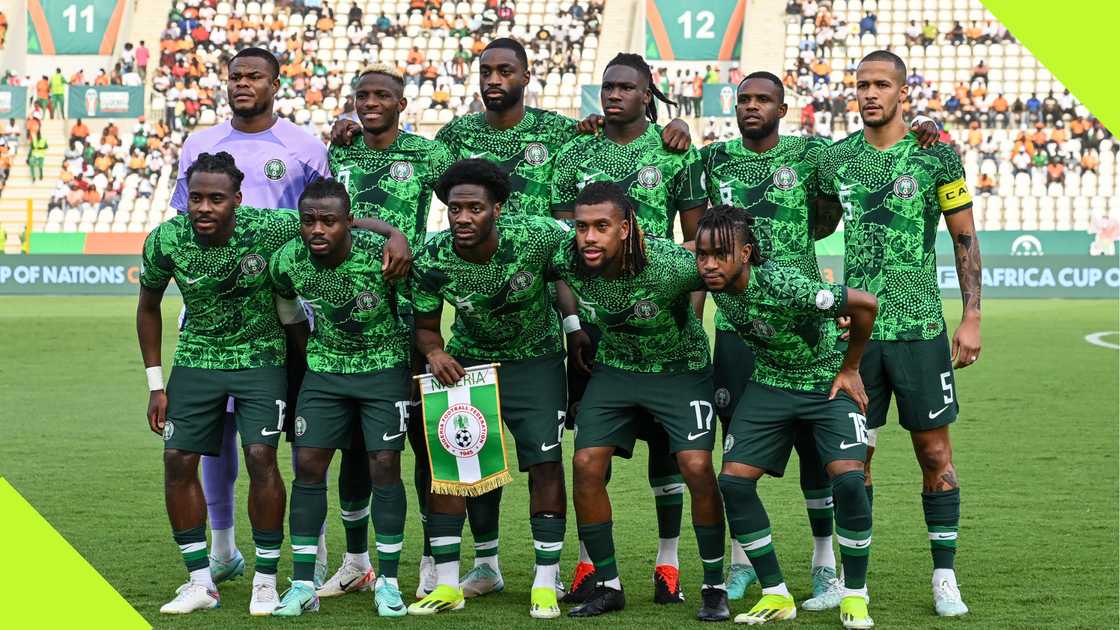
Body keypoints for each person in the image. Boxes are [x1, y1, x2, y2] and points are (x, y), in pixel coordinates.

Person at [330, 40, 692, 598]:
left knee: (578, 450)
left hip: (560, 315)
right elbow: (401, 156)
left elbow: (581, 234)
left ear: (527, 75)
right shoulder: (455, 139)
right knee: (459, 446)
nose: (494, 79)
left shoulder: (565, 135)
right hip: (458, 328)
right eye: (486, 71)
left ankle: (605, 566)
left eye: (506, 70)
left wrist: (573, 324)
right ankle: (465, 562)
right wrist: (354, 129)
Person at [700, 70, 940, 608]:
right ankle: (741, 565)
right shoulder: (713, 160)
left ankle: (826, 566)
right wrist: (664, 125)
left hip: (805, 317)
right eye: (744, 99)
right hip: (741, 326)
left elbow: (865, 169)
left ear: (783, 109)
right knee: (737, 437)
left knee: (818, 448)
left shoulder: (813, 155)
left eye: (764, 99)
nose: (752, 107)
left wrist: (920, 128)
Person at [815, 50, 982, 618]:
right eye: (861, 85)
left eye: (881, 84)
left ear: (902, 93)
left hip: (918, 331)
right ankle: (847, 576)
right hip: (858, 336)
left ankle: (944, 577)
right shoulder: (836, 161)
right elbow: (801, 222)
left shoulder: (935, 155)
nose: (869, 94)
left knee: (934, 452)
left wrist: (972, 316)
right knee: (853, 458)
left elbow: (964, 237)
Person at [169, 47, 333, 590]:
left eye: (254, 76)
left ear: (275, 83)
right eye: (234, 76)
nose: (242, 84)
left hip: (287, 312)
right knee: (213, 432)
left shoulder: (305, 146)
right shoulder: (199, 143)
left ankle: (316, 545)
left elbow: (325, 217)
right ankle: (223, 547)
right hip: (215, 315)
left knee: (299, 431)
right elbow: (182, 223)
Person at [550, 53, 708, 607]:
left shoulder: (673, 151)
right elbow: (559, 249)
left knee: (669, 456)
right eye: (607, 86)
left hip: (662, 326)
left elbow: (695, 245)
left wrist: (687, 315)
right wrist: (573, 327)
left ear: (649, 94)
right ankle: (593, 568)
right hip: (594, 337)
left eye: (626, 87)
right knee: (591, 453)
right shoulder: (576, 151)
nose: (613, 95)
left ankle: (668, 564)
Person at [137, 152, 307, 615]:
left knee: (261, 456)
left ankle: (267, 581)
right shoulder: (166, 239)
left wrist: (392, 235)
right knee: (176, 459)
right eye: (195, 198)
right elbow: (148, 307)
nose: (204, 208)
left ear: (237, 199)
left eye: (215, 198)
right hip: (197, 356)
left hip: (260, 355)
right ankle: (200, 581)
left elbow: (331, 217)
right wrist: (157, 384)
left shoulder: (270, 227)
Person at [694, 205, 879, 628]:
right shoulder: (710, 273)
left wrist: (850, 368)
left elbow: (865, 304)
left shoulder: (784, 283)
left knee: (849, 480)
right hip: (770, 385)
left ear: (745, 254)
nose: (708, 264)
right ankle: (776, 594)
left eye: (719, 254)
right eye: (702, 255)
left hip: (824, 383)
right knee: (734, 483)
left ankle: (854, 595)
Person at [552, 183, 728, 621]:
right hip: (616, 371)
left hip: (679, 372)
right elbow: (517, 245)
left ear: (626, 229)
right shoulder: (566, 257)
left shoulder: (669, 265)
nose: (589, 237)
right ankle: (608, 585)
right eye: (582, 227)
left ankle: (713, 585)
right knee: (586, 463)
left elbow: (735, 274)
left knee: (697, 467)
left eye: (601, 227)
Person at [407, 159, 572, 619]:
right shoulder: (434, 256)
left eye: (474, 208)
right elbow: (424, 325)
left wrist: (576, 328)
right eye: (454, 209)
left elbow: (577, 267)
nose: (462, 218)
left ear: (497, 207)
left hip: (535, 361)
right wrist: (435, 352)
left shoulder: (537, 236)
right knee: (456, 464)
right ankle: (449, 582)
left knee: (545, 463)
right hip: (469, 363)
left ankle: (545, 580)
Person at [315, 64, 452, 601]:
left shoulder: (427, 154)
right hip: (348, 324)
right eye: (362, 95)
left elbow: (471, 197)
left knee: (420, 446)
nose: (370, 103)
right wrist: (387, 228)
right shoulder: (340, 151)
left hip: (408, 319)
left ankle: (430, 561)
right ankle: (355, 561)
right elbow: (331, 220)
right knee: (355, 446)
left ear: (402, 102)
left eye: (382, 96)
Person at [268, 180, 411, 618]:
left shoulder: (381, 255)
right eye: (309, 220)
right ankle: (303, 585)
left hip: (382, 368)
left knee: (383, 466)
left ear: (348, 222)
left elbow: (412, 310)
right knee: (308, 467)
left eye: (329, 221)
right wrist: (307, 345)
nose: (317, 229)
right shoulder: (287, 258)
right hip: (325, 372)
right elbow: (285, 301)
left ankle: (387, 582)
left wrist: (395, 234)